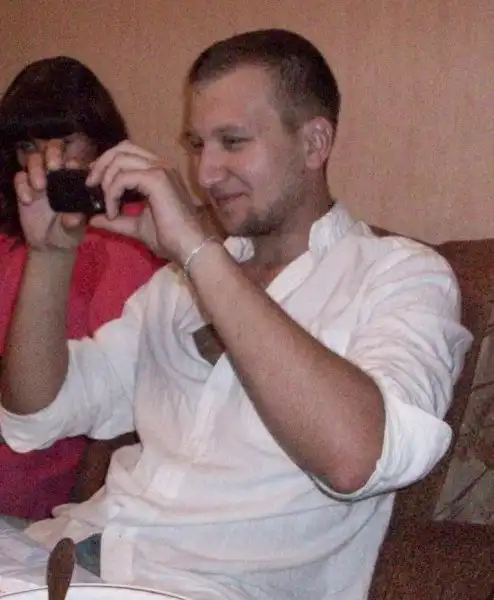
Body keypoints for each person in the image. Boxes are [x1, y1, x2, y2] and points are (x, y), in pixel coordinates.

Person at [0, 30, 472, 600]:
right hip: (61, 554)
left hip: (199, 588)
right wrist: (50, 257)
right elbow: (36, 414)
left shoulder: (401, 275)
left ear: (315, 143)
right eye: (198, 144)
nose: (204, 174)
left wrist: (197, 251)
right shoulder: (176, 287)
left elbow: (357, 460)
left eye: (233, 141)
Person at [0, 56, 165, 519]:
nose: (44, 161)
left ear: (100, 141)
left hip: (41, 470)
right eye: (27, 146)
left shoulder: (130, 233)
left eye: (63, 141)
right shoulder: (12, 231)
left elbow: (111, 399)